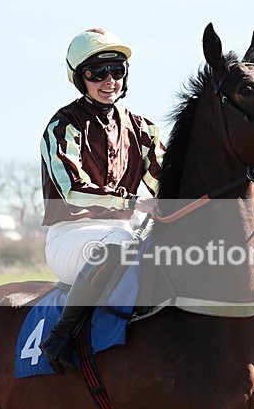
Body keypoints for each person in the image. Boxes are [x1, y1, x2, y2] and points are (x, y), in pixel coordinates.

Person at [39, 28, 163, 373]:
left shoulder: (143, 129)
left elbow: (166, 184)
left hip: (126, 232)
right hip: (71, 235)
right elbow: (72, 191)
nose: (110, 81)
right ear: (81, 79)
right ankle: (60, 337)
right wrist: (131, 204)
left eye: (117, 71)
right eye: (97, 73)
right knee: (119, 242)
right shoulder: (63, 126)